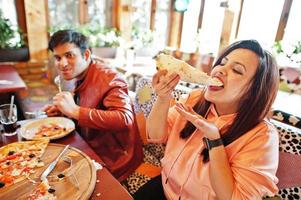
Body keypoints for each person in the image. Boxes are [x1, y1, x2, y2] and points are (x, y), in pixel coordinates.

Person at [135, 40, 279, 200]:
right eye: (222, 63)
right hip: (165, 187)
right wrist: (163, 98)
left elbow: (234, 197)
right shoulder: (195, 98)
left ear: (254, 91)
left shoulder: (262, 137)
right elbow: (155, 135)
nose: (220, 70)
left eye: (237, 70)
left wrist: (214, 140)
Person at [44, 29, 143, 181]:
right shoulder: (79, 74)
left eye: (69, 55)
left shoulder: (110, 78)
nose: (62, 63)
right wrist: (63, 112)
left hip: (115, 159)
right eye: (58, 58)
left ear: (86, 55)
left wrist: (75, 111)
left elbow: (124, 118)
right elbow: (87, 106)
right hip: (87, 147)